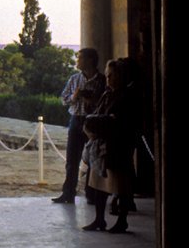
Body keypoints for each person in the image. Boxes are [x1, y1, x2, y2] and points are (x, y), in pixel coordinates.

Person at [82, 59, 141, 233]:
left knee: (120, 186)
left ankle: (122, 221)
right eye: (107, 75)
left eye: (111, 75)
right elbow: (99, 114)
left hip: (119, 146)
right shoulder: (107, 94)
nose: (108, 79)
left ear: (120, 76)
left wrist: (98, 122)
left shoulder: (128, 96)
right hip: (102, 147)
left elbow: (121, 122)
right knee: (99, 184)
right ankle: (99, 219)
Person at [52, 48, 105, 203]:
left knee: (94, 159)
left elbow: (103, 102)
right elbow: (63, 99)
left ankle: (92, 192)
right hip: (76, 120)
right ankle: (68, 192)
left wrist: (92, 100)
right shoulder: (75, 78)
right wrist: (74, 97)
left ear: (89, 60)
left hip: (94, 121)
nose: (77, 61)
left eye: (80, 58)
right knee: (72, 159)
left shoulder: (102, 80)